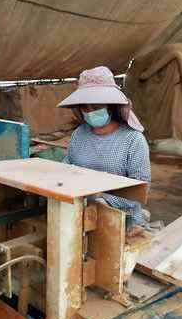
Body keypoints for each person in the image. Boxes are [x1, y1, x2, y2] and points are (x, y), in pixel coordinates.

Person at [58, 66, 151, 231]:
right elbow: (67, 167)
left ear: (111, 106)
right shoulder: (79, 134)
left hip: (121, 221)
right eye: (85, 108)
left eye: (96, 107)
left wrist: (104, 200)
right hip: (79, 213)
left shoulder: (133, 140)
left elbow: (139, 190)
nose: (90, 112)